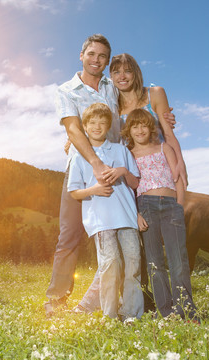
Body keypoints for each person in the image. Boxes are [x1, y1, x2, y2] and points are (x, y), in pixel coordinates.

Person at [45, 34, 176, 317]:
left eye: (103, 56)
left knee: (129, 232)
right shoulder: (66, 90)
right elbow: (73, 128)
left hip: (118, 167)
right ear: (81, 55)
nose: (97, 60)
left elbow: (134, 103)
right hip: (82, 167)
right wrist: (93, 162)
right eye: (92, 54)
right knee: (70, 234)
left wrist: (162, 114)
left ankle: (135, 297)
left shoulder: (110, 86)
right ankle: (56, 298)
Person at [67, 103, 143, 320]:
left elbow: (135, 183)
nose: (97, 126)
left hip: (127, 218)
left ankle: (131, 314)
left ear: (108, 125)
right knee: (110, 265)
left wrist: (122, 171)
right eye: (92, 122)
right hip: (101, 220)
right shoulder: (79, 157)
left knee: (133, 264)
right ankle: (109, 315)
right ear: (85, 126)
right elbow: (74, 192)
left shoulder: (121, 150)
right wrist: (95, 190)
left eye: (102, 122)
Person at [121, 108, 198, 321]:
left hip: (171, 205)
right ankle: (166, 311)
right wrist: (136, 214)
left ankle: (187, 310)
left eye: (143, 125)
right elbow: (129, 189)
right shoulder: (129, 154)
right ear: (129, 129)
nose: (139, 130)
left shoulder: (165, 148)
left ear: (152, 128)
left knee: (178, 260)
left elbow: (178, 180)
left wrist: (179, 206)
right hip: (145, 205)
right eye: (134, 126)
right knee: (154, 261)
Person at [110, 53, 187, 188]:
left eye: (127, 71)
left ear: (136, 73)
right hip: (133, 172)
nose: (122, 77)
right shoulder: (113, 107)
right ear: (111, 76)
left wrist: (180, 162)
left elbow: (169, 134)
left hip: (161, 167)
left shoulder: (155, 94)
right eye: (116, 72)